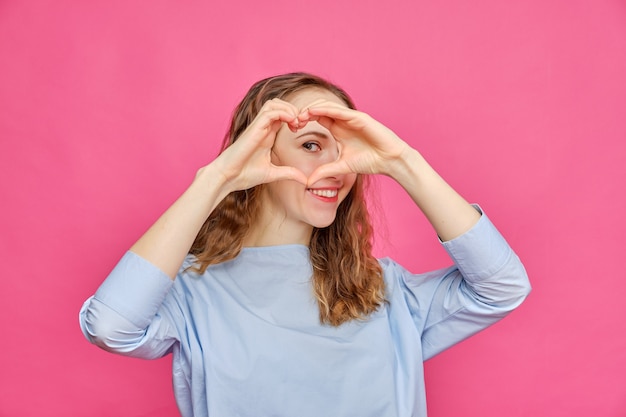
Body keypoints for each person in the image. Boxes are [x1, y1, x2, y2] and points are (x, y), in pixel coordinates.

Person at [79, 72, 530, 417]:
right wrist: (217, 179)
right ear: (257, 155)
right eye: (312, 145)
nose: (337, 167)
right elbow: (110, 326)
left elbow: (503, 286)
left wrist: (402, 161)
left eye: (345, 149)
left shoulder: (385, 293)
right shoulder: (192, 294)